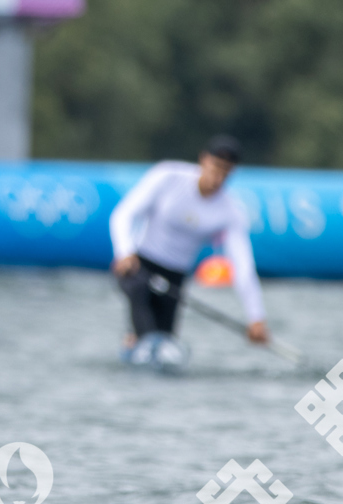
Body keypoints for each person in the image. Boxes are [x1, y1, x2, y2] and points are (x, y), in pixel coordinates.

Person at [109, 135, 268, 346]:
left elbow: (243, 266)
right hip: (140, 265)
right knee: (139, 298)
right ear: (203, 159)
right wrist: (124, 251)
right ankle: (141, 342)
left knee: (165, 339)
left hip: (175, 278)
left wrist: (256, 317)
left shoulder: (230, 212)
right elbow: (123, 214)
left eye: (226, 171)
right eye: (216, 167)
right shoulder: (168, 176)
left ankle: (141, 343)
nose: (218, 178)